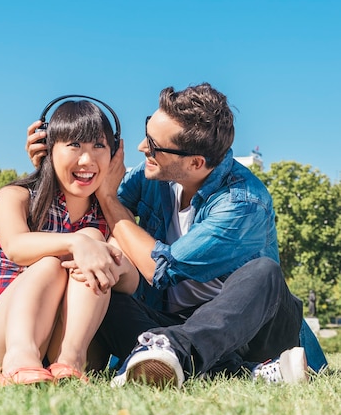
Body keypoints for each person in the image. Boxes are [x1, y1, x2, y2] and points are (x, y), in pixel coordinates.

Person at [26, 83, 327, 388]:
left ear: (195, 163)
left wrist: (110, 200)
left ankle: (169, 352)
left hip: (251, 330)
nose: (143, 148)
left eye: (154, 145)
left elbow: (161, 268)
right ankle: (241, 371)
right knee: (101, 283)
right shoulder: (154, 175)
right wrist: (51, 169)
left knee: (265, 273)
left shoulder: (242, 202)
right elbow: (91, 204)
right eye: (147, 131)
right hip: (174, 321)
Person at [0, 99, 139, 386]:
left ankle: (69, 362)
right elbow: (16, 247)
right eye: (74, 145)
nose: (87, 160)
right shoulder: (17, 197)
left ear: (115, 152)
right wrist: (76, 244)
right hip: (6, 334)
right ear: (48, 147)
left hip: (78, 343)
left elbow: (131, 282)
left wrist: (102, 254)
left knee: (93, 238)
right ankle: (20, 360)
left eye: (98, 146)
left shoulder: (112, 213)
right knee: (52, 262)